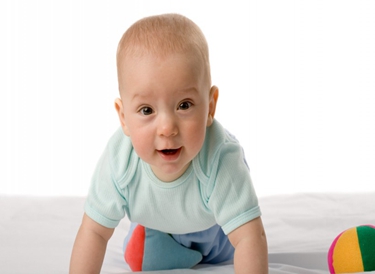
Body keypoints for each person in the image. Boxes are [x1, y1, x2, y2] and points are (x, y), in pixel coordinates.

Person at [70, 13, 268, 273]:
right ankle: (155, 231)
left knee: (230, 250)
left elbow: (249, 237)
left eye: (184, 105)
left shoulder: (220, 158)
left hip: (218, 227)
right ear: (123, 118)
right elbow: (94, 232)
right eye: (146, 110)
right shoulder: (120, 162)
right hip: (161, 225)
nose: (167, 128)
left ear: (210, 107)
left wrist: (245, 242)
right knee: (142, 257)